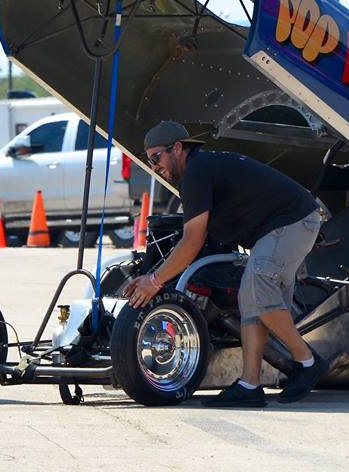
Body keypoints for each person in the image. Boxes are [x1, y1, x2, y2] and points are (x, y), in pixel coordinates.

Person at [125, 121, 325, 407]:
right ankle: (250, 385)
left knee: (256, 291)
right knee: (252, 301)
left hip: (291, 222)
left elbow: (192, 242)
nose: (154, 167)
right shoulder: (199, 169)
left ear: (177, 148)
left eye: (156, 158)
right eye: (149, 161)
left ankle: (307, 361)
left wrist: (154, 281)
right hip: (285, 226)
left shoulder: (196, 171)